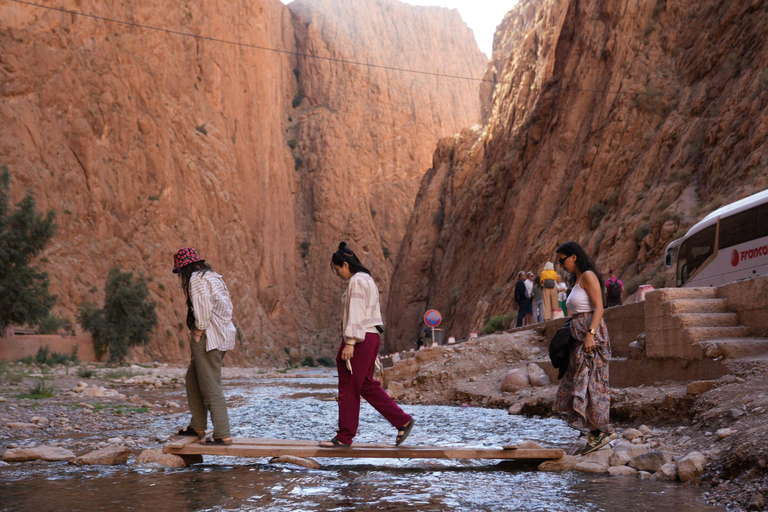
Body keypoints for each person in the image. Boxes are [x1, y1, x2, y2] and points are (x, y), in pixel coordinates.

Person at [320, 242, 414, 447]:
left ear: (345, 264)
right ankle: (402, 420)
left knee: (348, 387)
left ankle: (344, 437)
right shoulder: (368, 280)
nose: (337, 275)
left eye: (337, 270)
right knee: (365, 385)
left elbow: (356, 311)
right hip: (371, 337)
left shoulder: (356, 281)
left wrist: (350, 342)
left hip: (360, 339)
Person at [553, 241, 616, 455]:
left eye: (562, 260)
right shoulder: (578, 279)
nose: (560, 264)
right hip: (580, 339)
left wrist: (590, 334)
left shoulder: (588, 276)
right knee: (583, 384)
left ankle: (602, 432)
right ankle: (593, 432)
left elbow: (599, 308)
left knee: (595, 384)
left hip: (592, 338)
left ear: (574, 257)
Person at [172, 247, 236, 445]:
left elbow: (203, 307)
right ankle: (197, 426)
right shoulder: (213, 276)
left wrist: (198, 332)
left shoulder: (197, 279)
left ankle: (222, 434)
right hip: (221, 335)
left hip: (208, 336)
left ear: (186, 268)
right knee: (193, 379)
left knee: (210, 385)